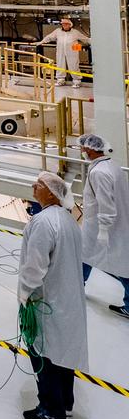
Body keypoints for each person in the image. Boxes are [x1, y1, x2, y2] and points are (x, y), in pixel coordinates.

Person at [17, 171, 88, 419]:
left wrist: (25, 295)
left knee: (43, 352)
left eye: (39, 184)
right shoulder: (68, 220)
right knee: (62, 353)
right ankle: (65, 403)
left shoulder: (43, 222)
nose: (33, 186)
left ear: (52, 192)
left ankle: (50, 409)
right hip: (67, 299)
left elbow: (35, 266)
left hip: (47, 300)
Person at [78, 133, 129, 322]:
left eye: (83, 148)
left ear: (90, 149)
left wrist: (104, 230)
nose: (82, 151)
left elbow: (106, 203)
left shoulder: (99, 172)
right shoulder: (111, 165)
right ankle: (77, 287)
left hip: (102, 226)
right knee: (85, 257)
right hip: (114, 224)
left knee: (119, 266)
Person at [38, 16, 90, 86]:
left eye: (66, 24)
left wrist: (94, 43)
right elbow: (49, 37)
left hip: (72, 52)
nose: (64, 25)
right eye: (63, 24)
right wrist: (41, 42)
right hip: (60, 51)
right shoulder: (58, 31)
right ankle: (60, 80)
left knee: (74, 65)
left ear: (70, 25)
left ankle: (77, 81)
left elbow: (85, 39)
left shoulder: (75, 32)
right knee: (60, 65)